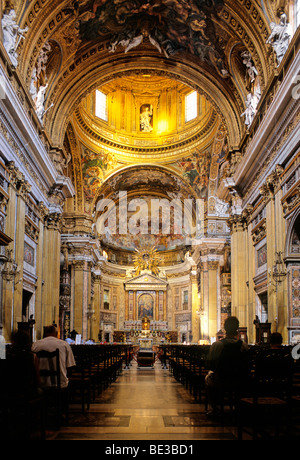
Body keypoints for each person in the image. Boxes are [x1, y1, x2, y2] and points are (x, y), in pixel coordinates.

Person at [205, 316, 250, 416]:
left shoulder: (217, 345)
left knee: (208, 378)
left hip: (221, 381)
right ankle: (239, 407)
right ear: (237, 329)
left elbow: (210, 365)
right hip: (239, 381)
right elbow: (247, 365)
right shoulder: (244, 346)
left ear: (225, 328)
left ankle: (214, 408)